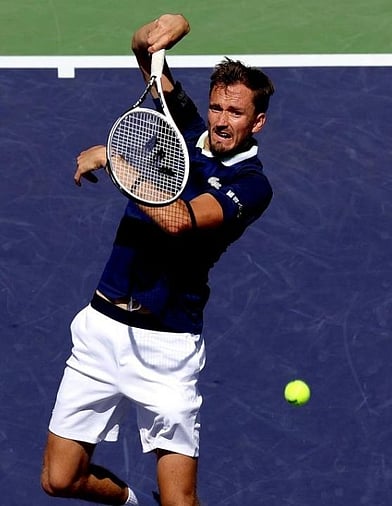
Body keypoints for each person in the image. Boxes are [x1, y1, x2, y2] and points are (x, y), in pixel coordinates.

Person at [41, 13, 275, 506]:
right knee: (59, 480)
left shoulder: (252, 185)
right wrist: (171, 26)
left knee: (179, 502)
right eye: (216, 107)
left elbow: (179, 220)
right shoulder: (183, 125)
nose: (221, 120)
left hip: (167, 348)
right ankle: (129, 501)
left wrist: (115, 159)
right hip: (101, 330)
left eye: (235, 112)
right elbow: (144, 53)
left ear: (257, 122)